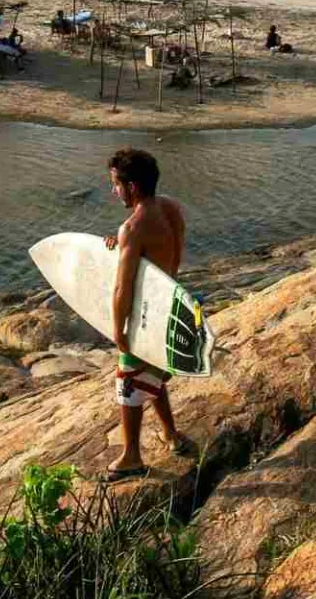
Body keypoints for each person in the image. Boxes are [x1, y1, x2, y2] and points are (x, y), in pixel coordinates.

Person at [99, 149, 195, 481]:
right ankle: (170, 435)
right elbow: (155, 255)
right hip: (170, 305)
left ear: (133, 186)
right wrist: (125, 244)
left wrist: (118, 330)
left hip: (146, 314)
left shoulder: (133, 226)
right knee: (151, 373)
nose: (114, 191)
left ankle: (131, 457)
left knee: (128, 381)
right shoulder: (171, 208)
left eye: (116, 184)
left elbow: (122, 289)